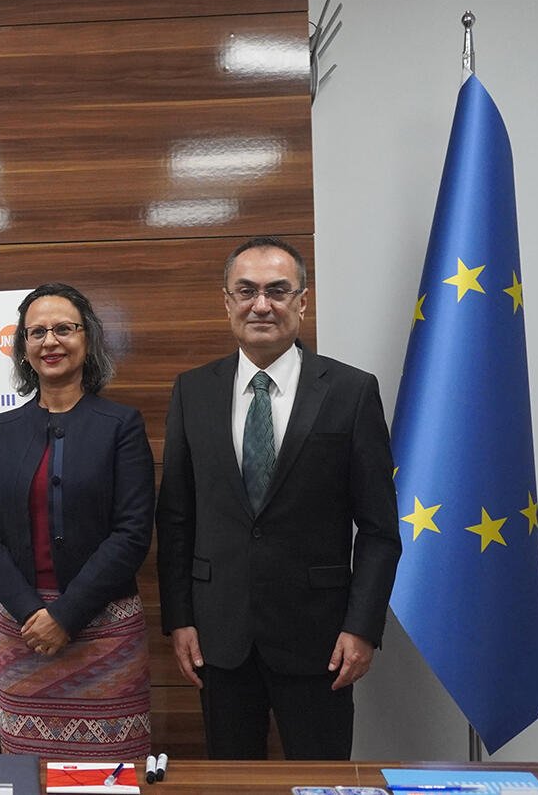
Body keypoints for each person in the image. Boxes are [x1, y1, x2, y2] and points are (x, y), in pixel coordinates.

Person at [155, 236, 402, 760]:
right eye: (245, 291)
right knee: (232, 784)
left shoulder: (350, 391)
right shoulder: (192, 391)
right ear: (226, 301)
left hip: (321, 640)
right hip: (220, 639)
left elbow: (379, 530)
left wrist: (362, 628)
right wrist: (180, 618)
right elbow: (176, 518)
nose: (260, 305)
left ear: (302, 302)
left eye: (277, 291)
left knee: (322, 784)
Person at [0, 283, 153, 759]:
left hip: (105, 631)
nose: (50, 341)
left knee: (110, 776)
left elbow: (132, 533)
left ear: (86, 339)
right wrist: (34, 615)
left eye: (64, 329)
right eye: (37, 332)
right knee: (29, 774)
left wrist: (65, 616)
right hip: (25, 631)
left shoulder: (122, 425)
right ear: (23, 350)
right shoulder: (2, 431)